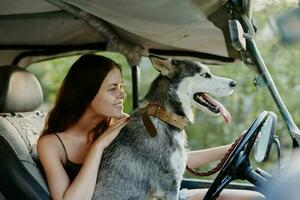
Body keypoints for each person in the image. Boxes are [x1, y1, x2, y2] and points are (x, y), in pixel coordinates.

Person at [37, 54, 264, 200]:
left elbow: (166, 161)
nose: (122, 94)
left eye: (122, 86)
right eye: (113, 88)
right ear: (86, 93)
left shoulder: (123, 123)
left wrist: (232, 148)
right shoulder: (51, 144)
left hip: (153, 195)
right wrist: (99, 146)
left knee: (254, 199)